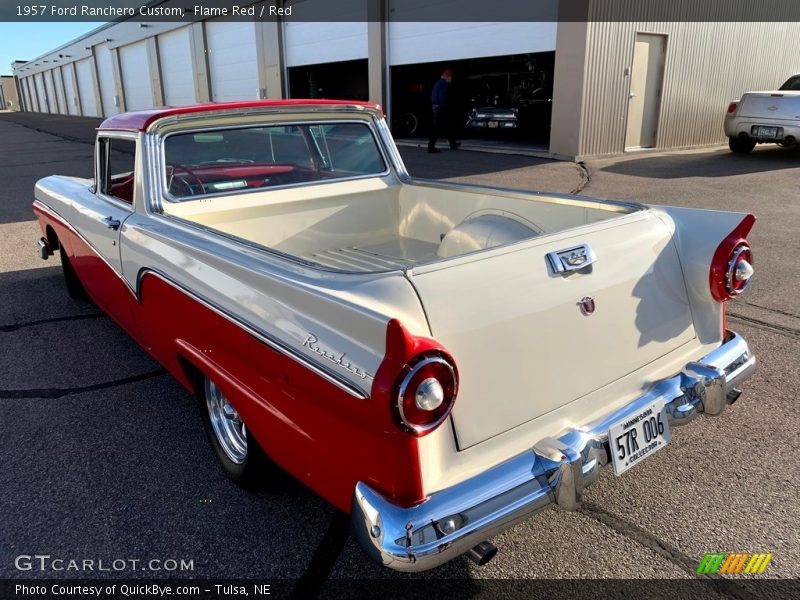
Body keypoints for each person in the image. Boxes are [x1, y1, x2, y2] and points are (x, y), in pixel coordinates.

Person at [428, 69, 460, 153]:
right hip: (440, 109)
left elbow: (433, 95)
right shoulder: (443, 84)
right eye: (450, 78)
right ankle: (431, 147)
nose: (451, 79)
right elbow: (442, 96)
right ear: (447, 77)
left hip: (435, 107)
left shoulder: (437, 83)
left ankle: (453, 144)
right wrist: (444, 107)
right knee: (436, 128)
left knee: (448, 126)